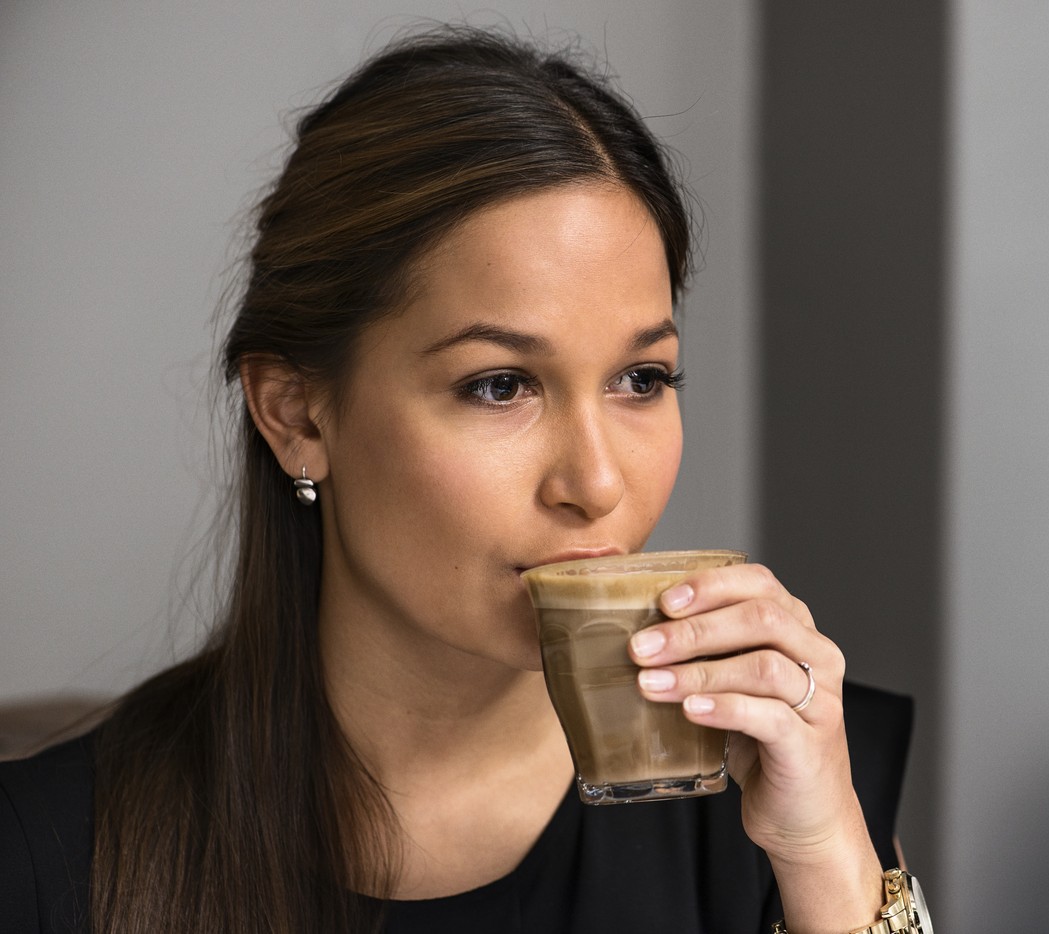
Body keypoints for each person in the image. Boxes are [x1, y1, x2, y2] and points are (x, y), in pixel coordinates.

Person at [0, 25, 917, 934]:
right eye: (499, 385)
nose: (598, 483)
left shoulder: (784, 787)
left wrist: (827, 855)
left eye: (642, 379)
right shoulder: (49, 855)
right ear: (297, 417)